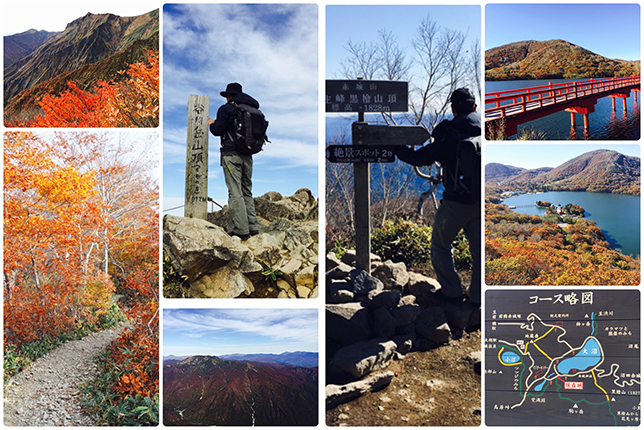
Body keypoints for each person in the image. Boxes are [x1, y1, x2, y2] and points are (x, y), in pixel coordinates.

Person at [395, 87, 481, 305]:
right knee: (479, 252)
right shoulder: (485, 128)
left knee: (441, 245)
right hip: (481, 202)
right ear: (475, 107)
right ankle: (478, 296)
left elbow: (420, 158)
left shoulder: (452, 134)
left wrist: (397, 148)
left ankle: (451, 292)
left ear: (453, 109)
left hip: (455, 203)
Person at [208, 82, 261, 241]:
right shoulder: (253, 110)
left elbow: (217, 130)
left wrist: (211, 123)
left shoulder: (227, 109)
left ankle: (241, 230)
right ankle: (253, 227)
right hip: (248, 155)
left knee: (235, 191)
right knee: (247, 190)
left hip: (231, 154)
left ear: (229, 96)